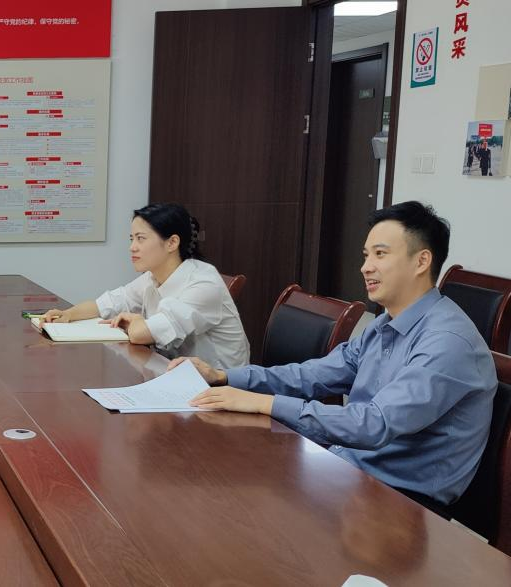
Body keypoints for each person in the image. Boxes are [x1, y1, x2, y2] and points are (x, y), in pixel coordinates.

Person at [180, 201, 495, 514]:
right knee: (227, 484)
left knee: (246, 506)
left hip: (404, 504)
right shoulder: (384, 325)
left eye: (380, 254)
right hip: (350, 469)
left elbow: (373, 424)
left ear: (421, 261)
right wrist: (224, 376)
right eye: (366, 255)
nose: (366, 267)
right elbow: (313, 376)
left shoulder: (447, 341)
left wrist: (266, 403)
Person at [40, 203, 250, 368]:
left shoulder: (204, 283)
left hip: (219, 388)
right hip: (176, 374)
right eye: (131, 239)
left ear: (172, 243)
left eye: (141, 239)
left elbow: (140, 334)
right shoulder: (152, 277)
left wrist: (138, 321)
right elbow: (107, 303)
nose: (132, 247)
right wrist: (67, 315)